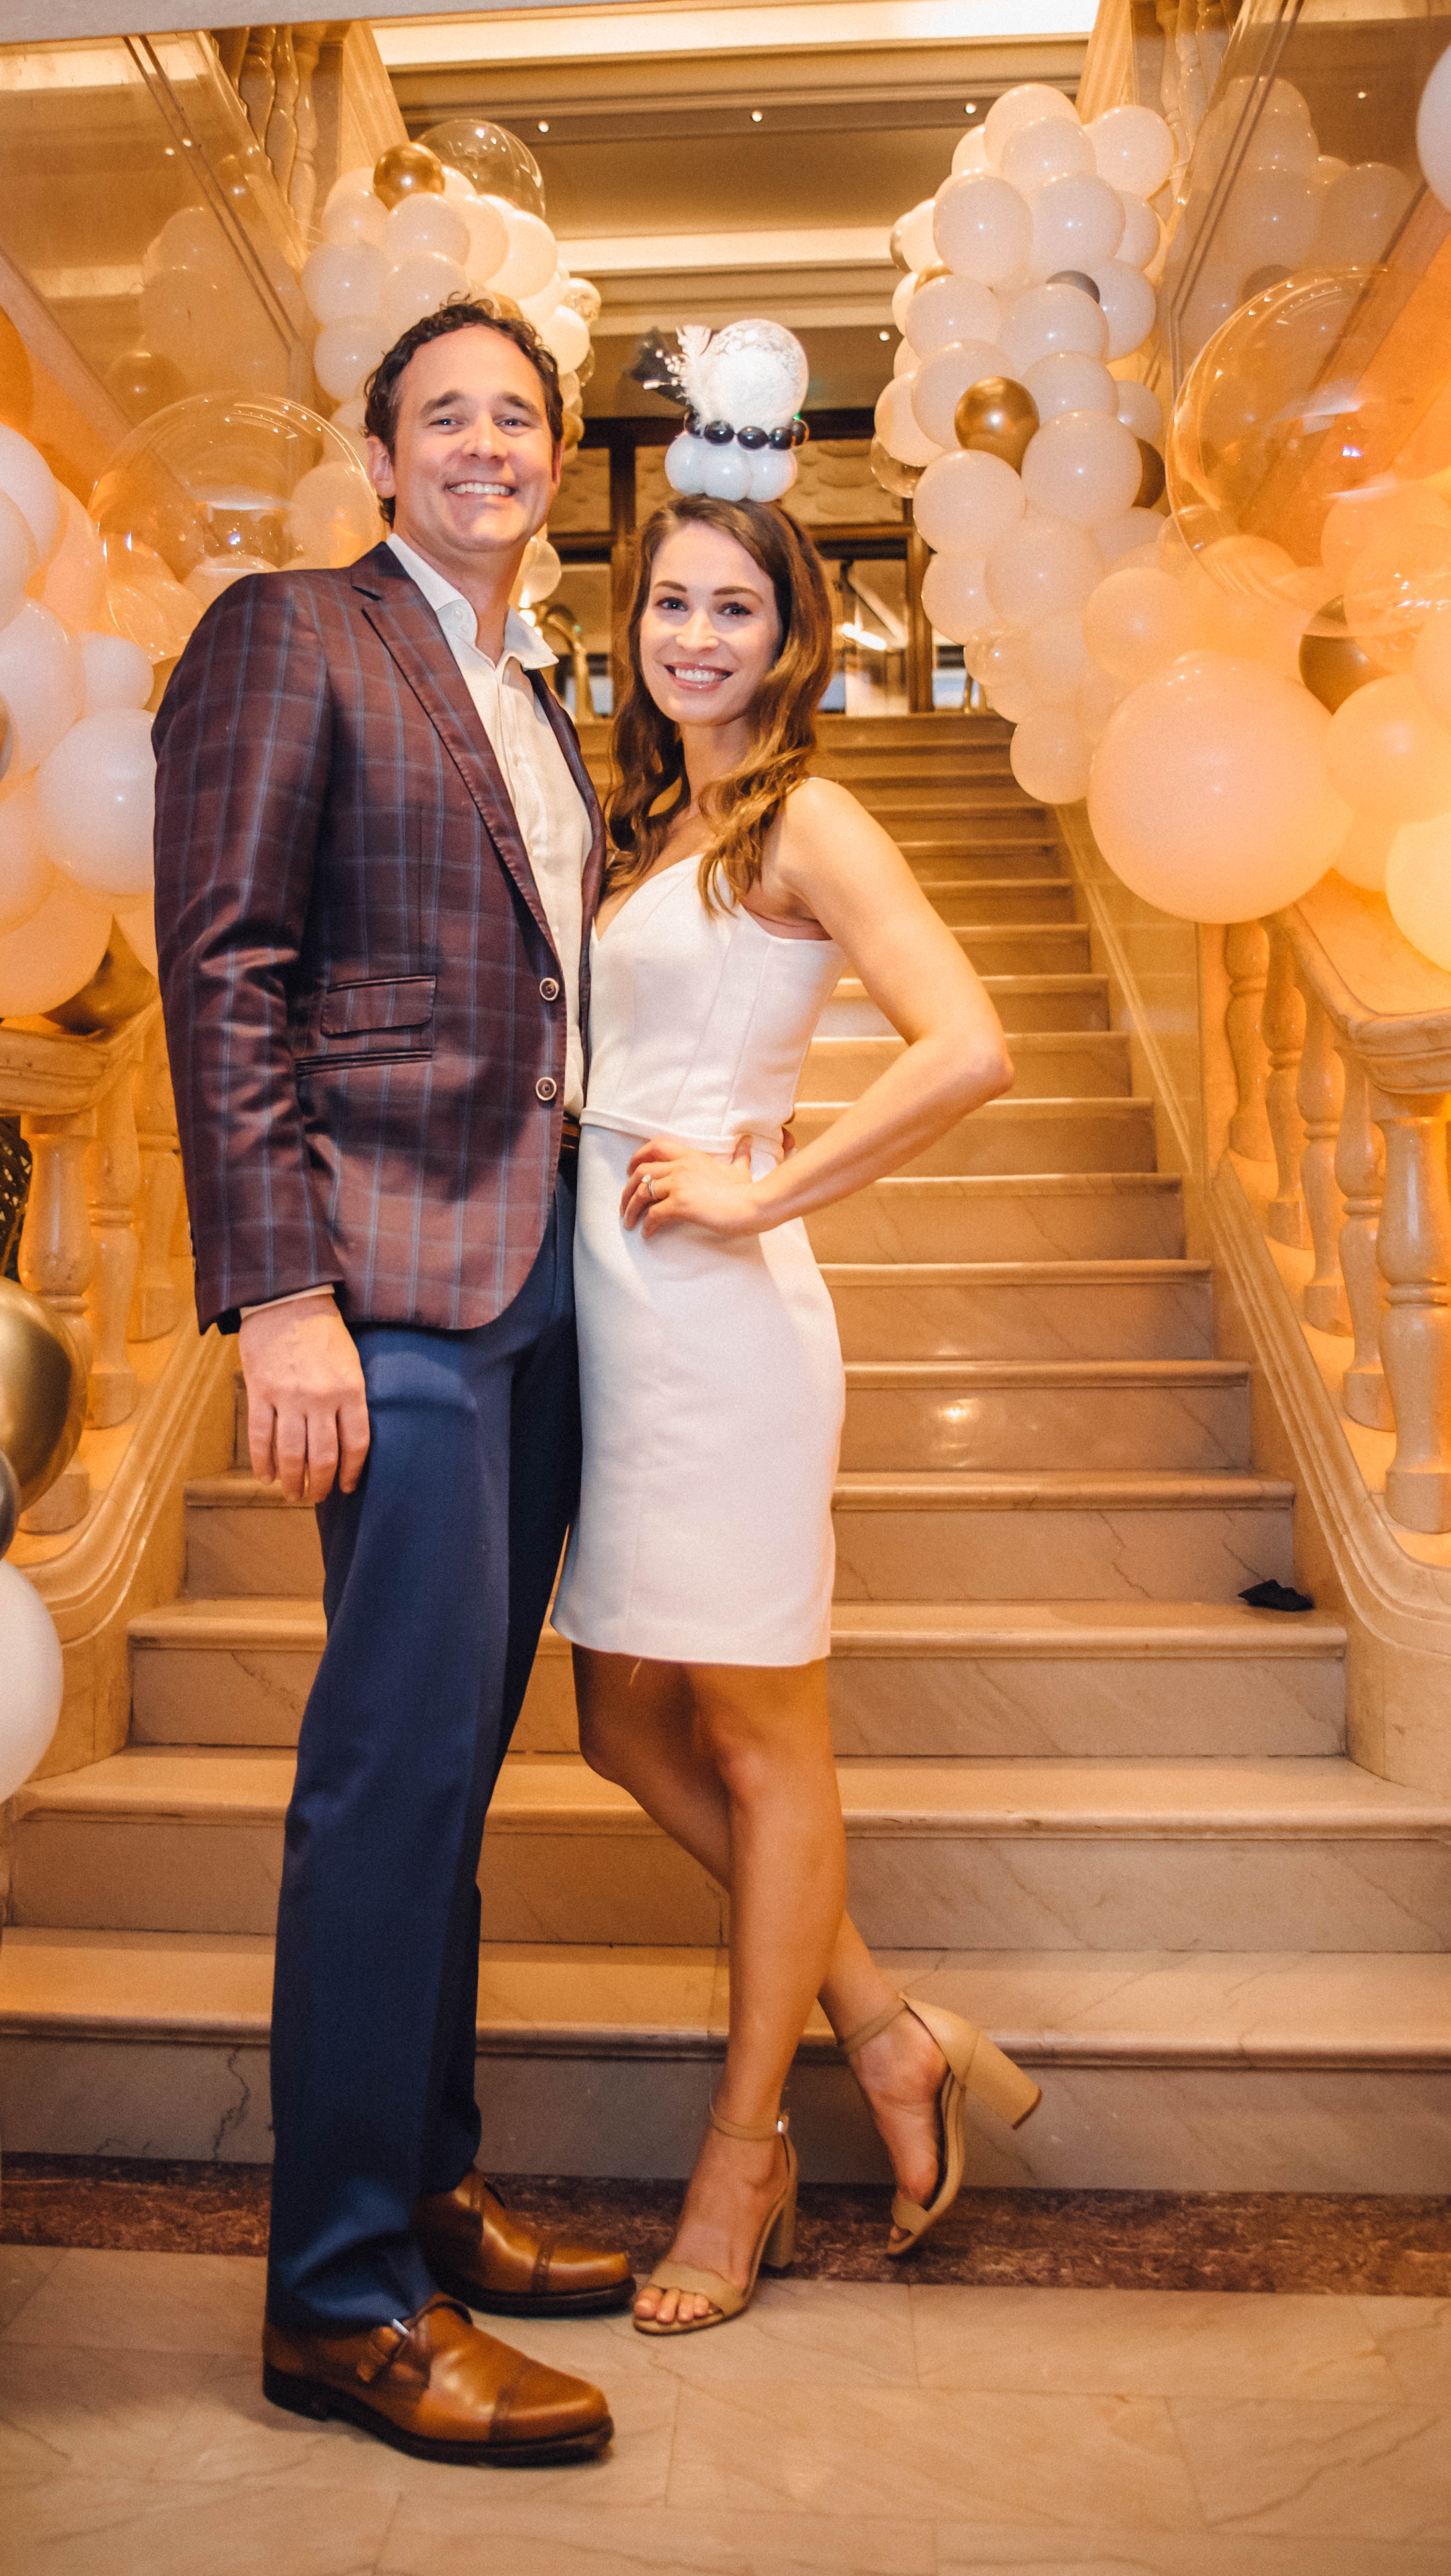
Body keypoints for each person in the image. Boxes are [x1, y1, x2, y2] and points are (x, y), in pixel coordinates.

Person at [151, 301, 631, 2466]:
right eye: (444, 415)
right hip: (387, 1286)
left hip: (535, 1295)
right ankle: (340, 2301)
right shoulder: (290, 632)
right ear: (378, 455)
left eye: (516, 416)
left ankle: (426, 2200)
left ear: (556, 460)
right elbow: (226, 963)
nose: (483, 445)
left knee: (449, 1780)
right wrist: (279, 1296)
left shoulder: (540, 691)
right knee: (383, 1783)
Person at [553, 487, 1043, 2333]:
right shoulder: (644, 817)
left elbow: (969, 1042)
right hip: (612, 1314)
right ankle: (885, 2027)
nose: (695, 636)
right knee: (618, 1721)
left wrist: (763, 1191)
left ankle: (741, 2153)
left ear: (790, 635)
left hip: (717, 1325)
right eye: (669, 602)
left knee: (762, 1741)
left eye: (733, 608)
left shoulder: (802, 815)